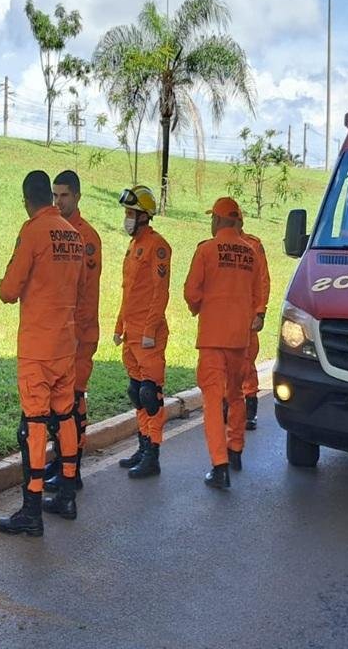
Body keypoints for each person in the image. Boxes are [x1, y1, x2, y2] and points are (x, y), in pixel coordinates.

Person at [0, 170, 86, 536]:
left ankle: (31, 508)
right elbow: (79, 289)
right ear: (49, 197)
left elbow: (8, 290)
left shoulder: (32, 231)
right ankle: (66, 494)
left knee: (33, 426)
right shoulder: (74, 235)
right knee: (64, 417)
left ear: (25, 200)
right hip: (65, 343)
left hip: (37, 346)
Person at [184, 197, 263, 490]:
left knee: (213, 402)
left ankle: (220, 466)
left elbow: (191, 291)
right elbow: (257, 295)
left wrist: (201, 307)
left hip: (213, 339)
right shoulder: (251, 253)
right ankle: (236, 450)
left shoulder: (206, 250)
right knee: (236, 395)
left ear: (217, 221)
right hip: (239, 340)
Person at [42, 170, 101, 492]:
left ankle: (72, 467)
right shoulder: (57, 231)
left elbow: (83, 291)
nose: (58, 201)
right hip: (60, 334)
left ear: (77, 197)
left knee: (73, 401)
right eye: (54, 195)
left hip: (80, 333)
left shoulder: (86, 237)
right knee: (57, 402)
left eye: (64, 195)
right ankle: (61, 460)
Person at [113, 185, 171, 479]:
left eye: (131, 213)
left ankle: (153, 454)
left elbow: (159, 293)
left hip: (149, 335)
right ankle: (143, 444)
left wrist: (149, 330)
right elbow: (130, 291)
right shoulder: (134, 245)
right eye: (126, 213)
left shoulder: (157, 246)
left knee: (151, 394)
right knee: (136, 392)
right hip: (132, 332)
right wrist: (119, 326)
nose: (127, 218)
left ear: (144, 216)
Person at [238, 216, 270, 430]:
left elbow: (262, 281)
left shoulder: (253, 245)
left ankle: (250, 408)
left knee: (246, 362)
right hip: (224, 316)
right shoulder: (214, 247)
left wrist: (260, 312)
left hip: (247, 315)